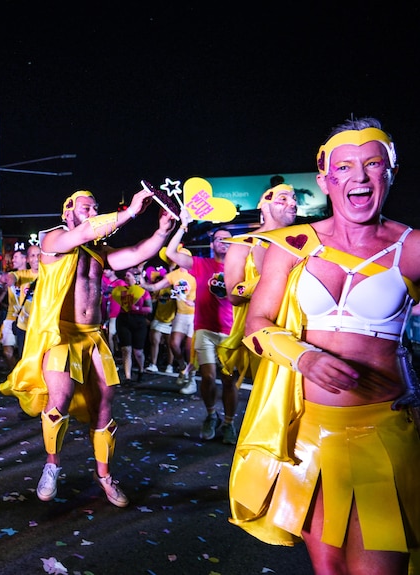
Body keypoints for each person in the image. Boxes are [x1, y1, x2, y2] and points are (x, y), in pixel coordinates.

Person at [228, 117, 420, 574]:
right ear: (326, 180)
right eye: (346, 167)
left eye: (373, 165)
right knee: (328, 569)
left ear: (389, 174)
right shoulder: (293, 246)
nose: (359, 177)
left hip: (384, 436)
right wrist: (304, 357)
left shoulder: (410, 247)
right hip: (309, 440)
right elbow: (256, 324)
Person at [1, 188, 175, 507]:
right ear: (67, 211)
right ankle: (51, 466)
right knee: (60, 398)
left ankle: (104, 476)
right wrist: (130, 212)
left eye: (96, 207)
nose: (93, 211)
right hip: (61, 335)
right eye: (86, 207)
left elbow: (136, 253)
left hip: (93, 335)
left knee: (106, 403)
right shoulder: (52, 239)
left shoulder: (98, 251)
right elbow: (82, 232)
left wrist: (162, 231)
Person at [217, 181, 297, 386]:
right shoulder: (243, 245)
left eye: (294, 198)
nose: (292, 203)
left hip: (300, 334)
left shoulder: (303, 244)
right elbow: (234, 294)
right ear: (265, 206)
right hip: (265, 336)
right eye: (283, 199)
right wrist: (274, 278)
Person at [164, 216, 235, 442]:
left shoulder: (241, 267)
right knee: (208, 376)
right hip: (204, 329)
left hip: (231, 331)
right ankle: (211, 415)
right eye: (219, 239)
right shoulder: (201, 264)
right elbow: (171, 253)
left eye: (228, 239)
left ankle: (229, 423)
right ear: (212, 244)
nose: (224, 242)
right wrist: (183, 225)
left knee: (229, 379)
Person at [141, 251, 197, 393]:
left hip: (196, 315)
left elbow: (207, 291)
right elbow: (154, 287)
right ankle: (183, 367)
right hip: (181, 314)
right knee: (173, 344)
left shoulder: (197, 272)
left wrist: (196, 303)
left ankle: (191, 380)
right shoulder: (175, 275)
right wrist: (141, 282)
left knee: (189, 349)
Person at [0, 247, 37, 370]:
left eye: (15, 257)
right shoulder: (11, 275)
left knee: (26, 355)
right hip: (11, 318)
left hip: (31, 321)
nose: (12, 259)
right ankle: (15, 374)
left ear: (25, 259)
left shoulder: (37, 275)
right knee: (7, 353)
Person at [111, 266, 153, 383]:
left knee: (138, 352)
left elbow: (149, 309)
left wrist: (138, 308)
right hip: (123, 320)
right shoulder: (121, 290)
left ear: (135, 278)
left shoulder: (143, 292)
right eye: (125, 275)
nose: (125, 277)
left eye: (128, 275)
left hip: (138, 321)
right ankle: (128, 376)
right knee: (126, 349)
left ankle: (141, 370)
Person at [144, 266, 176, 373]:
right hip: (158, 318)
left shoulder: (175, 289)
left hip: (170, 320)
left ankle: (170, 366)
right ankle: (153, 364)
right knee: (154, 341)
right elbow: (152, 301)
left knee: (170, 345)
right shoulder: (159, 289)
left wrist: (176, 318)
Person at [101, 268, 127, 357]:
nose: (104, 271)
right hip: (104, 313)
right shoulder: (104, 280)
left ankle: (111, 357)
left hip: (115, 314)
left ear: (113, 271)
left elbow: (126, 301)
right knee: (107, 335)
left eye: (107, 270)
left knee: (111, 335)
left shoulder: (121, 283)